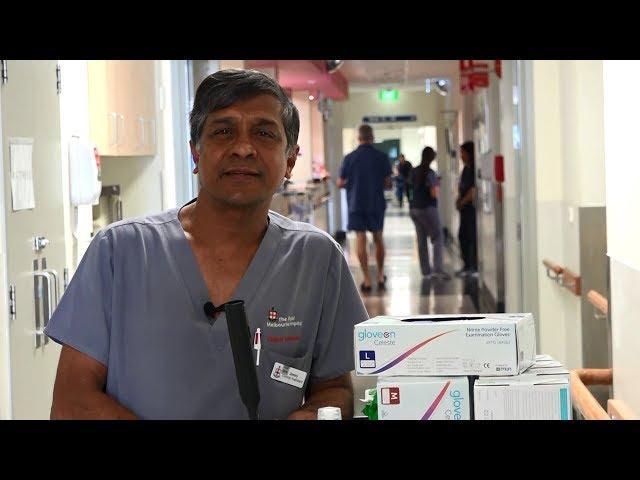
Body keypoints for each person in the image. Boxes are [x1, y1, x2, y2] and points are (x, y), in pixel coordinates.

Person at [44, 69, 369, 420]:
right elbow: (72, 402)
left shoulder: (316, 259)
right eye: (223, 132)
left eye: (263, 133)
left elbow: (334, 390)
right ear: (195, 153)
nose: (243, 148)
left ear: (290, 159)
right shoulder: (119, 252)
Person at [337, 124, 392, 292]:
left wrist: (352, 183)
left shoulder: (349, 158)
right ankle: (381, 275)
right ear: (372, 137)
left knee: (360, 239)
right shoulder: (382, 157)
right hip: (376, 203)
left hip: (356, 204)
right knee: (378, 238)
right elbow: (388, 183)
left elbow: (340, 182)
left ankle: (367, 279)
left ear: (358, 138)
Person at [409, 147, 449, 280]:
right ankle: (438, 269)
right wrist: (437, 185)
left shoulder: (414, 170)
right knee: (438, 236)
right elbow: (433, 193)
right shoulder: (430, 173)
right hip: (427, 208)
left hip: (414, 209)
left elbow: (409, 188)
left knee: (421, 240)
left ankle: (426, 271)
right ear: (432, 158)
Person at [456, 141, 478, 277]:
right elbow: (462, 188)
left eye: (462, 152)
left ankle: (473, 267)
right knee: (462, 236)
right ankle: (466, 265)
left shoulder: (474, 169)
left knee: (471, 237)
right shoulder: (465, 169)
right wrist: (459, 200)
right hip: (464, 210)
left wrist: (462, 202)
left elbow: (473, 191)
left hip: (471, 210)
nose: (461, 155)